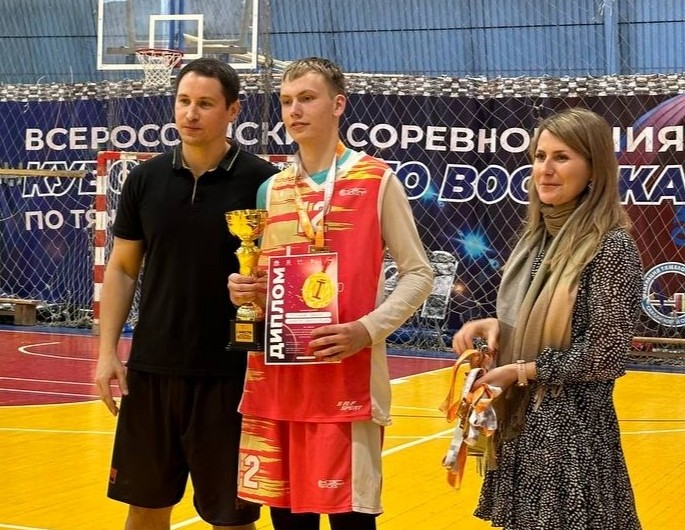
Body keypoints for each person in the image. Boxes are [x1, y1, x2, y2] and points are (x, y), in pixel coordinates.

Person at [227, 57, 434, 530]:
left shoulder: (376, 179)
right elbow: (268, 289)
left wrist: (366, 330)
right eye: (286, 101)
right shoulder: (270, 191)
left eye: (307, 98)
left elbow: (419, 274)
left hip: (347, 383)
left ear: (338, 104)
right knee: (287, 523)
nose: (294, 111)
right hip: (279, 384)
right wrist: (245, 290)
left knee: (351, 522)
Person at [94, 57, 279, 530]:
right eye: (183, 101)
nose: (191, 113)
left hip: (229, 375)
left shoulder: (263, 184)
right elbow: (122, 268)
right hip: (151, 369)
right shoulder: (145, 179)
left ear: (233, 110)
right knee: (144, 508)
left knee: (232, 518)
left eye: (205, 104)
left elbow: (281, 276)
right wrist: (107, 352)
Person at [452, 107, 643, 530]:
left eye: (562, 157)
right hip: (524, 428)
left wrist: (519, 371)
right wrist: (495, 328)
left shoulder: (611, 247)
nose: (545, 169)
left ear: (593, 169)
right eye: (540, 156)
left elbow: (605, 354)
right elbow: (531, 323)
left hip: (572, 440)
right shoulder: (535, 241)